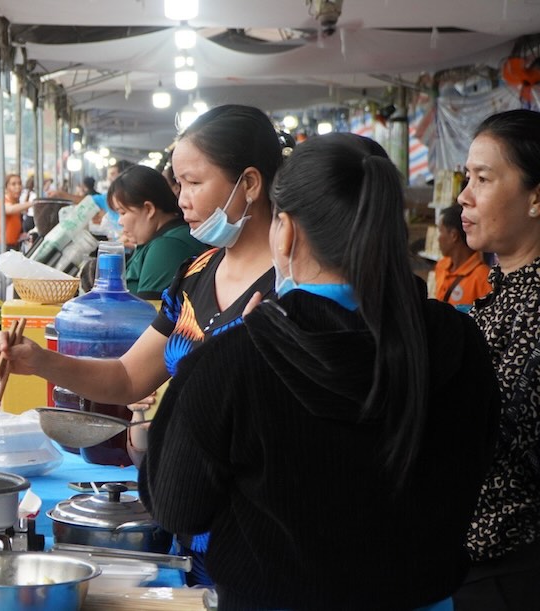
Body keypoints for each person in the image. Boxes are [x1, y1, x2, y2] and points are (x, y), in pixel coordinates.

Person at [141, 132, 501, 610]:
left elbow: (177, 507)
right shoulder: (457, 341)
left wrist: (151, 446)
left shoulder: (233, 362)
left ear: (285, 231)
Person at [0, 105, 283, 585]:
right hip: (192, 523)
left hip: (263, 532)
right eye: (179, 183)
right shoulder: (195, 274)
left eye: (193, 182)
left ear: (249, 184)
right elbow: (127, 378)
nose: (181, 198)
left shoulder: (295, 285)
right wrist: (39, 360)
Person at [452, 109, 540, 611]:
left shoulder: (533, 305)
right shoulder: (504, 294)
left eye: (483, 179)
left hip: (514, 572)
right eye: (467, 178)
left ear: (536, 197)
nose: (464, 195)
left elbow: (495, 430)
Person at [108, 164, 207, 299]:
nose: (120, 221)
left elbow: (145, 315)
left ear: (149, 209)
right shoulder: (153, 241)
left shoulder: (167, 246)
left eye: (122, 212)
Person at [433, 203, 491, 309]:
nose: (438, 238)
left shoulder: (484, 278)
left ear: (454, 235)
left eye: (441, 231)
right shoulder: (441, 266)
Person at [0, 173, 34, 273]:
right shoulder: (2, 202)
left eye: (19, 184)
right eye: (13, 184)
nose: (18, 187)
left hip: (12, 248)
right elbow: (9, 210)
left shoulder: (15, 204)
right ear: (6, 187)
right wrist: (33, 203)